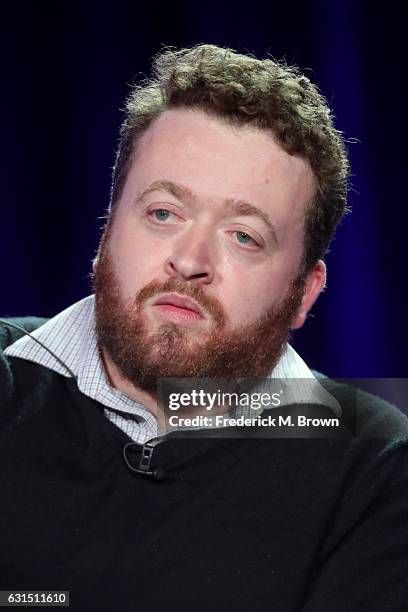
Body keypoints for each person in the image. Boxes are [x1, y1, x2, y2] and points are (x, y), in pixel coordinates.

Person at [0, 44, 407, 611]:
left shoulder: (376, 464)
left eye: (244, 236)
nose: (190, 259)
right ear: (105, 233)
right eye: (163, 212)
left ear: (304, 294)